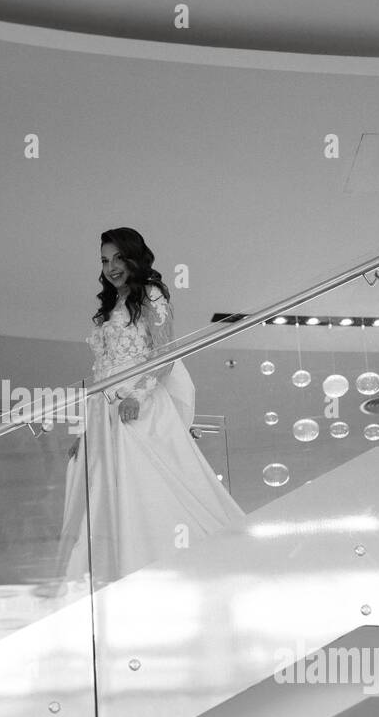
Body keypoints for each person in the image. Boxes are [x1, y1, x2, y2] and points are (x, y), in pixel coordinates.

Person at [46, 227, 247, 592]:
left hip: (139, 405)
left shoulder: (151, 295)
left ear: (134, 257)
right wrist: (85, 431)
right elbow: (102, 371)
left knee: (145, 490)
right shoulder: (111, 307)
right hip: (104, 410)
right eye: (105, 260)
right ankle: (109, 580)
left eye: (118, 258)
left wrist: (138, 395)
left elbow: (165, 352)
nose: (111, 267)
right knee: (103, 493)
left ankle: (155, 572)